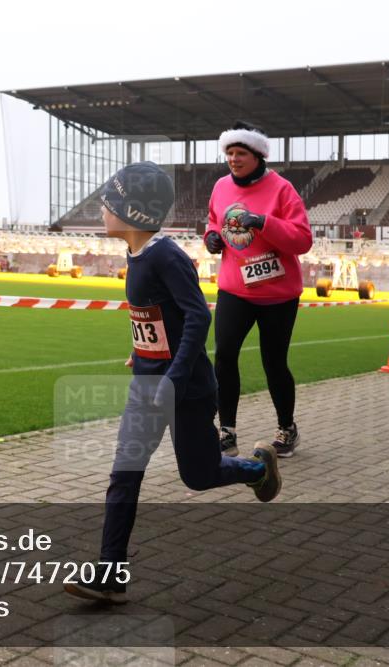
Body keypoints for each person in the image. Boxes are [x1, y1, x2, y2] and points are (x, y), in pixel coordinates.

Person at [63, 162, 281, 605]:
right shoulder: (137, 253)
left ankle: (258, 469)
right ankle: (111, 573)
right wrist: (143, 353)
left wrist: (174, 376)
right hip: (148, 384)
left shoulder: (166, 256)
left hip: (187, 389)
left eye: (110, 202)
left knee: (198, 476)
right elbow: (161, 317)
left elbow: (199, 315)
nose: (103, 209)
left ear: (134, 211)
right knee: (124, 475)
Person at [204, 122, 312, 458]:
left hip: (277, 295)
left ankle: (287, 428)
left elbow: (302, 239)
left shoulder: (281, 189)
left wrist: (264, 222)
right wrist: (210, 236)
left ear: (258, 155)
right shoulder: (221, 187)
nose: (234, 159)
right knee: (224, 356)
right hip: (235, 290)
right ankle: (227, 432)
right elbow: (213, 219)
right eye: (229, 153)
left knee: (274, 362)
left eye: (241, 153)